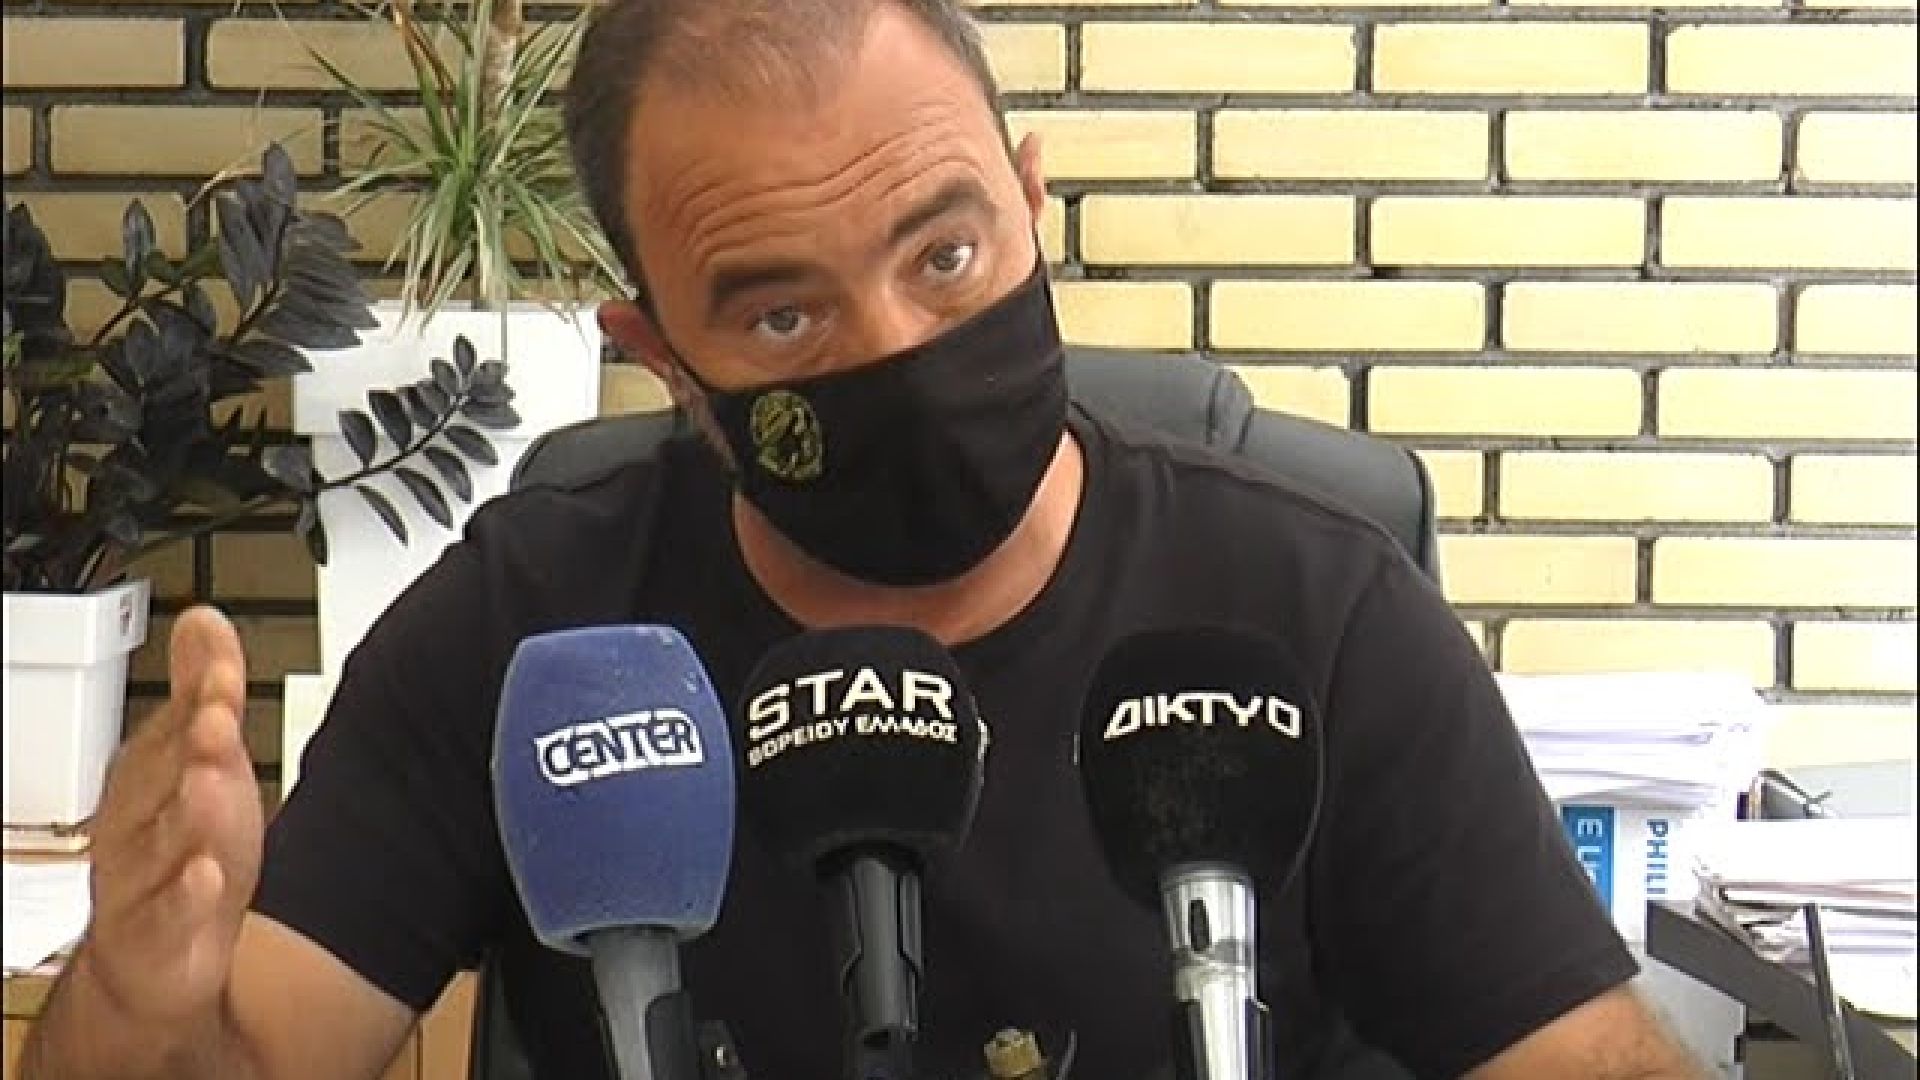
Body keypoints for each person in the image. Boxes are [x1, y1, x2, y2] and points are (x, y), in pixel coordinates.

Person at [23, 1, 1711, 1077]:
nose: (895, 349)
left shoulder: (1314, 612)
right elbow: (238, 1057)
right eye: (780, 316)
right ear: (658, 353)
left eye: (946, 256)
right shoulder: (531, 631)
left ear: (1032, 201)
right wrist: (136, 997)